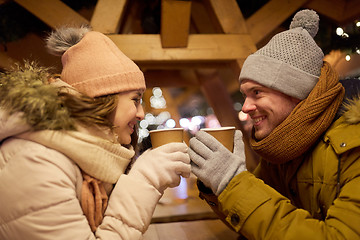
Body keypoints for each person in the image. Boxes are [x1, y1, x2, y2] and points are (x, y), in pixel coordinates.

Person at [0, 26, 191, 239]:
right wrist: (146, 179)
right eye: (135, 100)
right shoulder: (36, 162)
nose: (141, 113)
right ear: (102, 98)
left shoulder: (87, 156)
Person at [188, 9, 360, 239]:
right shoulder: (282, 146)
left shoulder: (354, 147)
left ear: (295, 92)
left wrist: (232, 183)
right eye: (245, 95)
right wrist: (217, 187)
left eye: (257, 92)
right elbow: (255, 224)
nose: (246, 107)